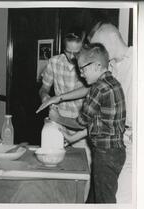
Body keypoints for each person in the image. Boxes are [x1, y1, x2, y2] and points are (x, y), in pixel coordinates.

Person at [39, 22, 133, 203]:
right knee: (96, 194)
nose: (81, 74)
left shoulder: (100, 86)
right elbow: (103, 119)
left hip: (109, 150)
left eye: (83, 69)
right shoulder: (111, 75)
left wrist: (58, 117)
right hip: (115, 147)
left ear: (97, 66)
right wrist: (57, 99)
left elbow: (83, 120)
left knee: (106, 197)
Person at [39, 30, 91, 165]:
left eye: (77, 52)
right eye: (69, 52)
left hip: (80, 124)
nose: (73, 56)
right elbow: (44, 88)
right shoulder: (54, 62)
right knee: (53, 163)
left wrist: (58, 98)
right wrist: (45, 96)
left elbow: (88, 89)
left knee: (83, 166)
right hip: (58, 122)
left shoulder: (88, 64)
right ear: (63, 48)